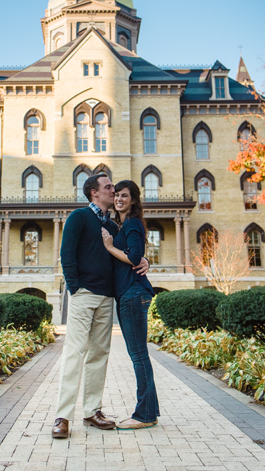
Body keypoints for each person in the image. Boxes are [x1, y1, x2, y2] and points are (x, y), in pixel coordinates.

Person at [52, 173, 149, 439]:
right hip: (84, 295)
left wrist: (145, 261)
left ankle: (92, 410)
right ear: (95, 193)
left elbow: (128, 254)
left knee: (99, 355)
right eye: (108, 188)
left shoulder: (115, 227)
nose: (113, 191)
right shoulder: (79, 217)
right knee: (75, 352)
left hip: (107, 298)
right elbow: (66, 254)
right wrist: (75, 287)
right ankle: (63, 416)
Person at [101, 179, 160, 429]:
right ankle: (149, 411)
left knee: (139, 356)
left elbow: (134, 257)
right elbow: (137, 255)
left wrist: (109, 246)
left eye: (125, 196)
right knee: (139, 356)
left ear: (133, 200)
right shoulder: (124, 224)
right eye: (117, 196)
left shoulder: (132, 223)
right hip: (130, 293)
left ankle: (144, 415)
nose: (119, 199)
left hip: (133, 295)